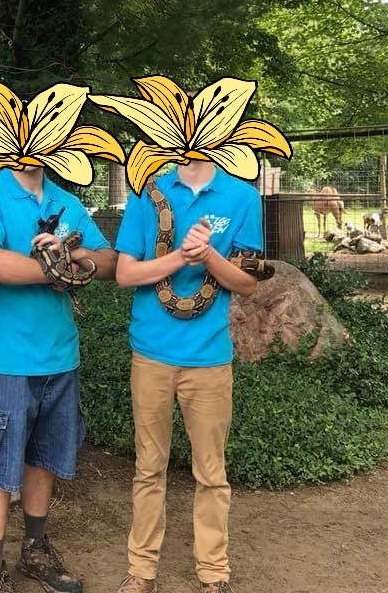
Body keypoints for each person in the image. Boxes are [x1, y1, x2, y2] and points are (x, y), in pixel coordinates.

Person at [0, 167, 117, 593]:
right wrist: (57, 267)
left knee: (43, 460)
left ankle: (34, 551)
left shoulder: (66, 201)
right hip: (6, 360)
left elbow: (109, 261)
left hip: (60, 357)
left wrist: (71, 255)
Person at [113, 160, 263, 593]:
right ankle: (141, 571)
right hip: (151, 354)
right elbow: (125, 273)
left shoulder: (243, 196)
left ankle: (214, 574)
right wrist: (181, 256)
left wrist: (209, 254)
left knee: (212, 473)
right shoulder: (147, 192)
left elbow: (248, 283)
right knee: (148, 468)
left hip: (209, 358)